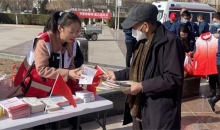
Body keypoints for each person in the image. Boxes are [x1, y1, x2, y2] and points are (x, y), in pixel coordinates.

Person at [103, 3, 185, 129]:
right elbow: (139, 69)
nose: (132, 31)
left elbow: (173, 77)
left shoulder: (170, 42)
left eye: (134, 27)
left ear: (145, 26)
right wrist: (116, 75)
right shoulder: (142, 42)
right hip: (141, 108)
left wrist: (142, 86)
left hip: (161, 113)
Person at [14, 11, 84, 130]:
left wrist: (76, 72)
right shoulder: (43, 41)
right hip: (38, 89)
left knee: (59, 118)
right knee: (40, 122)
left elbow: (70, 63)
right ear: (60, 28)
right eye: (71, 32)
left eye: (78, 31)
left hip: (58, 89)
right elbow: (41, 69)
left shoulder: (72, 43)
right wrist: (68, 73)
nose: (74, 35)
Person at [207, 12, 220, 112]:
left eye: (216, 21)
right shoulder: (214, 30)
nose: (215, 23)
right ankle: (213, 98)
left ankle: (214, 99)